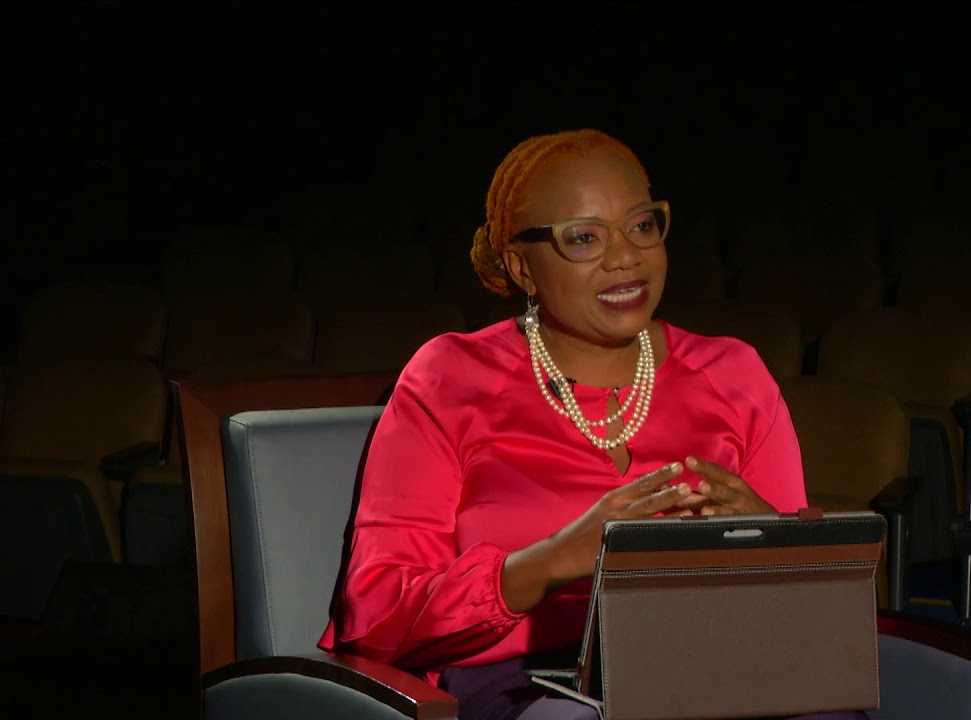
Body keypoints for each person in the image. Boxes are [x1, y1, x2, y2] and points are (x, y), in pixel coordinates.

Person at [319, 128, 867, 720]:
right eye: (584, 237)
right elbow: (376, 614)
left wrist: (768, 540)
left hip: (714, 662)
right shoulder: (450, 378)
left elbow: (808, 624)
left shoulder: (733, 373)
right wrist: (555, 560)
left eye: (642, 225)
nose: (626, 256)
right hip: (524, 682)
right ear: (522, 267)